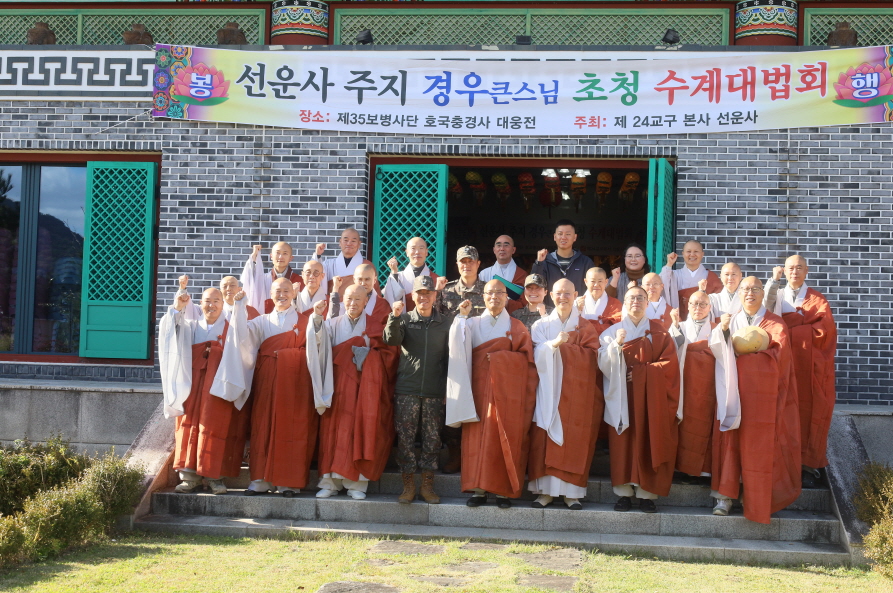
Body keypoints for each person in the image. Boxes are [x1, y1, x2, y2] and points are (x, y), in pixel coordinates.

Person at [211, 278, 333, 496]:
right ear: (270, 294)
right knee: (262, 425)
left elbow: (318, 347)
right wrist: (239, 306)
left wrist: (316, 319)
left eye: (286, 291)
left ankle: (289, 482)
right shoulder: (262, 321)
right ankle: (260, 480)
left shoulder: (304, 321)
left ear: (294, 294)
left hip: (297, 383)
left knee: (294, 427)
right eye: (277, 291)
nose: (282, 295)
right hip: (267, 378)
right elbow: (240, 336)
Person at [709, 276, 801, 521]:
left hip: (762, 398)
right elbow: (717, 349)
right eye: (745, 289)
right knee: (728, 442)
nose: (749, 293)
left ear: (763, 294)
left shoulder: (775, 323)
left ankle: (753, 497)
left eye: (755, 289)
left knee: (757, 447)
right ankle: (724, 497)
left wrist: (746, 357)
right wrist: (724, 332)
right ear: (738, 294)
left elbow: (780, 355)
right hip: (732, 391)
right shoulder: (729, 320)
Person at [445, 280, 538, 508]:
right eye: (489, 293)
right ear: (483, 297)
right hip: (477, 391)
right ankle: (478, 490)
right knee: (476, 439)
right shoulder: (473, 323)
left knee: (503, 438)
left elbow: (528, 362)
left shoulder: (516, 326)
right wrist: (461, 317)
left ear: (507, 297)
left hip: (507, 395)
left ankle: (503, 492)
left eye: (499, 292)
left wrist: (500, 359)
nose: (494, 296)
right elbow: (456, 345)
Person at [599, 286, 680, 513]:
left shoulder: (660, 332)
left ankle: (647, 494)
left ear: (647, 302)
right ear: (624, 302)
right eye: (631, 298)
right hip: (621, 395)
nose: (636, 301)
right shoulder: (612, 331)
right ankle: (623, 493)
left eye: (640, 298)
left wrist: (644, 374)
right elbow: (602, 364)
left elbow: (670, 366)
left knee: (647, 439)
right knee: (622, 443)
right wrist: (615, 346)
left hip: (650, 399)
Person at [315, 285, 400, 500]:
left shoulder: (375, 325)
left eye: (358, 299)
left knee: (362, 431)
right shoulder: (332, 324)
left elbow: (389, 356)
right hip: (337, 387)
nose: (353, 303)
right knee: (333, 432)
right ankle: (330, 482)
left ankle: (357, 484)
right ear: (343, 300)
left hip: (365, 390)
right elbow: (319, 351)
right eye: (349, 299)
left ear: (366, 301)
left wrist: (369, 356)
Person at [159, 287, 245, 496]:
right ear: (200, 304)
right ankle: (189, 477)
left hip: (218, 386)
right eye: (207, 301)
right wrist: (178, 305)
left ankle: (215, 478)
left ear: (223, 304)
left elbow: (243, 342)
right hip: (191, 384)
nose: (212, 305)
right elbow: (170, 327)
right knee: (187, 427)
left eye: (216, 301)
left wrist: (240, 306)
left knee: (216, 428)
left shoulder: (230, 328)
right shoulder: (190, 326)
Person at [527, 278, 603, 510]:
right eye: (558, 293)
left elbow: (593, 358)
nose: (563, 297)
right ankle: (545, 493)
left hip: (577, 392)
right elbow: (534, 355)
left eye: (567, 293)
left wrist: (565, 348)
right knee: (544, 439)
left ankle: (573, 493)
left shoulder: (585, 327)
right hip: (548, 390)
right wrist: (552, 345)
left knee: (574, 440)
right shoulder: (540, 326)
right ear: (551, 295)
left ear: (576, 294)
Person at [764, 255, 837, 488]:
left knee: (809, 411)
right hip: (782, 364)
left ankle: (807, 466)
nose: (794, 271)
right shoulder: (777, 296)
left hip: (808, 368)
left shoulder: (818, 300)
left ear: (807, 271)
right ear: (783, 271)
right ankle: (779, 463)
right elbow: (768, 325)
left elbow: (825, 333)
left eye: (799, 268)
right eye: (790, 268)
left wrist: (792, 326)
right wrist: (800, 322)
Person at [383, 275, 453, 505]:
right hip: (407, 390)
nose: (424, 297)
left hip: (434, 391)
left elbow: (451, 357)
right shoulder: (403, 319)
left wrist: (447, 389)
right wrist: (393, 317)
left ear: (435, 295)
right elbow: (391, 340)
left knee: (432, 440)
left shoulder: (445, 322)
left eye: (428, 293)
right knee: (405, 440)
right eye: (420, 293)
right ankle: (408, 485)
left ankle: (427, 486)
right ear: (413, 296)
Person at [437, 245, 486, 473]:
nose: (467, 265)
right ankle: (455, 455)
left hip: (480, 359)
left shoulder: (488, 290)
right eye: (462, 262)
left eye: (471, 261)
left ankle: (476, 456)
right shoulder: (445, 292)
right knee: (453, 407)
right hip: (453, 360)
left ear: (478, 264)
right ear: (457, 265)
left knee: (479, 407)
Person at [668, 292, 717, 484]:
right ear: (687, 306)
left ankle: (703, 471)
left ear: (710, 307)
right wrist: (674, 328)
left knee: (703, 426)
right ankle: (679, 467)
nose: (698, 307)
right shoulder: (678, 327)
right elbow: (670, 351)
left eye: (703, 304)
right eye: (694, 303)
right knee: (681, 424)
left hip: (707, 386)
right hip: (682, 384)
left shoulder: (716, 329)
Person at [530, 220, 595, 301]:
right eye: (560, 234)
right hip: (550, 311)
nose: (563, 237)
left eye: (568, 234)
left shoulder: (585, 262)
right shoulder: (545, 260)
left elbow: (593, 289)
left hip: (578, 311)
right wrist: (539, 263)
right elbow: (534, 286)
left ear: (574, 237)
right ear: (554, 237)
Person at [660, 240, 723, 321]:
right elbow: (660, 287)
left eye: (696, 251)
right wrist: (669, 264)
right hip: (678, 319)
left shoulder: (710, 276)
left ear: (702, 254)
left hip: (703, 321)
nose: (692, 254)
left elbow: (718, 302)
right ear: (683, 254)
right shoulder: (673, 275)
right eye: (688, 251)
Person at [240, 242, 302, 314]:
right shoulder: (263, 279)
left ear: (291, 258)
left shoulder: (298, 281)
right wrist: (253, 259)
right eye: (278, 253)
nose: (280, 257)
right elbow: (250, 281)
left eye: (285, 253)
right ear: (271, 256)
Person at [312, 227, 375, 297]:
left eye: (353, 241)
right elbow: (314, 274)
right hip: (332, 305)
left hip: (356, 306)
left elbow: (373, 295)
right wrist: (317, 255)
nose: (349, 243)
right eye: (346, 240)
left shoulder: (367, 265)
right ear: (340, 242)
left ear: (359, 244)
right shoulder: (329, 264)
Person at [383, 237, 440, 312]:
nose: (417, 252)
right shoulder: (398, 277)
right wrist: (394, 272)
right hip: (404, 322)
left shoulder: (436, 279)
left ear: (426, 252)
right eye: (413, 248)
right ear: (407, 252)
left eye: (421, 248)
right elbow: (390, 301)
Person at [175, 275, 261, 322]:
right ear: (220, 291)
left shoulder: (250, 311)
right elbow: (189, 308)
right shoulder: (210, 309)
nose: (228, 289)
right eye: (225, 286)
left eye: (232, 285)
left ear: (240, 289)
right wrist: (183, 289)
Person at [479, 235, 528, 314]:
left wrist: (506, 303)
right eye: (498, 245)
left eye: (506, 245)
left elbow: (525, 303)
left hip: (513, 318)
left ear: (513, 250)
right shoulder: (484, 274)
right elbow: (479, 300)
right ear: (494, 250)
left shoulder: (521, 274)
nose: (502, 249)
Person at [577, 267, 622, 337]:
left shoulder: (615, 303)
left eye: (600, 281)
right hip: (583, 343)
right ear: (586, 282)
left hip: (607, 343)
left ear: (606, 282)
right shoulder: (576, 303)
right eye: (593, 281)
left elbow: (616, 327)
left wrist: (587, 327)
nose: (596, 285)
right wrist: (576, 311)